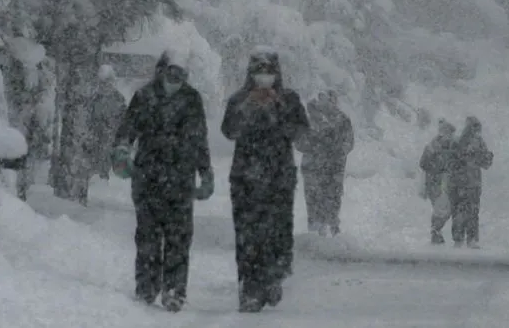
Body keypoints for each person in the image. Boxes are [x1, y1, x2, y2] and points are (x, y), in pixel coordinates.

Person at [112, 48, 214, 312]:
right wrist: (122, 152)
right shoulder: (144, 96)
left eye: (181, 73)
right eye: (172, 71)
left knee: (179, 239)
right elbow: (127, 130)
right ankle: (146, 287)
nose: (176, 77)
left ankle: (174, 291)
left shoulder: (192, 100)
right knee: (147, 237)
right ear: (162, 70)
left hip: (181, 181)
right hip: (148, 179)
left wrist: (205, 172)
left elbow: (199, 139)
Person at [220, 46, 309, 313]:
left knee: (277, 232)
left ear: (277, 74)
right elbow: (229, 130)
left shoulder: (290, 99)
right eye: (259, 72)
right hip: (246, 178)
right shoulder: (239, 99)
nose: (264, 78)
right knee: (247, 235)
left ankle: (273, 276)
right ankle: (250, 288)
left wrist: (277, 109)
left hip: (278, 178)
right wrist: (249, 107)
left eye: (269, 72)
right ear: (250, 74)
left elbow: (302, 134)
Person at [295, 90, 354, 236]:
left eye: (331, 99)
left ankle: (333, 228)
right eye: (325, 99)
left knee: (333, 197)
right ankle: (315, 232)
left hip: (334, 168)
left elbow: (349, 141)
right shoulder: (308, 120)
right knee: (314, 199)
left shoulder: (342, 119)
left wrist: (338, 150)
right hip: (313, 168)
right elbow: (299, 142)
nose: (329, 102)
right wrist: (316, 146)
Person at [448, 116, 493, 249]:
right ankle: (462, 238)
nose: (475, 131)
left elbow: (486, 163)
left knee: (468, 211)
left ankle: (466, 238)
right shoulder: (459, 142)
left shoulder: (477, 142)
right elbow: (452, 162)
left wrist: (485, 156)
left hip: (469, 183)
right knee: (465, 211)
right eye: (474, 127)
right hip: (464, 183)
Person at [419, 119, 457, 245]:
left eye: (451, 133)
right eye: (448, 132)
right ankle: (435, 231)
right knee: (440, 208)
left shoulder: (453, 146)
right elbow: (423, 163)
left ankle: (436, 231)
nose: (450, 135)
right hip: (435, 181)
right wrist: (438, 166)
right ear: (442, 133)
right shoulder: (432, 146)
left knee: (448, 208)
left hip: (448, 182)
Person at [89, 64, 126, 180]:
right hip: (95, 137)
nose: (105, 85)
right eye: (102, 82)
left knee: (106, 158)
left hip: (111, 137)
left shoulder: (118, 98)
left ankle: (103, 178)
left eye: (107, 81)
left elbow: (124, 119)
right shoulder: (93, 98)